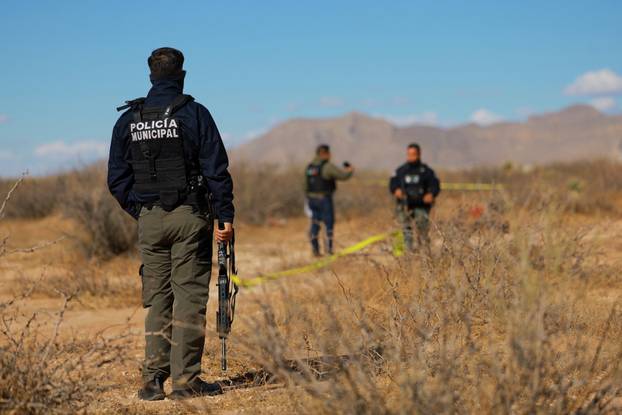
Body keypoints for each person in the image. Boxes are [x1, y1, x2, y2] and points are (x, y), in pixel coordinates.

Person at [107, 47, 234, 401]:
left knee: (157, 298)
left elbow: (117, 179)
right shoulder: (194, 114)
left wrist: (144, 211)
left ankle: (151, 382)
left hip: (150, 219)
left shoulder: (128, 120)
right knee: (189, 297)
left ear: (151, 77)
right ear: (181, 76)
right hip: (189, 216)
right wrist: (225, 216)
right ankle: (186, 381)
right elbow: (216, 170)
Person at [389, 143, 440, 251]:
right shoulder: (401, 170)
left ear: (419, 154)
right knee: (405, 230)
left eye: (413, 154)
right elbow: (392, 184)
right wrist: (396, 190)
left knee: (423, 231)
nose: (411, 157)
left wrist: (431, 194)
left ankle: (424, 255)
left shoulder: (426, 171)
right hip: (404, 206)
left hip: (421, 206)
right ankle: (407, 255)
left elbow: (435, 185)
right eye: (409, 154)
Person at [304, 144, 354, 256]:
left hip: (311, 200)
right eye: (329, 153)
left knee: (315, 224)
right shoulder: (327, 166)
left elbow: (304, 185)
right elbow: (342, 176)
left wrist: (309, 198)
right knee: (328, 224)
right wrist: (350, 170)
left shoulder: (309, 167)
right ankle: (329, 251)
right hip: (324, 200)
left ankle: (315, 251)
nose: (331, 155)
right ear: (324, 153)